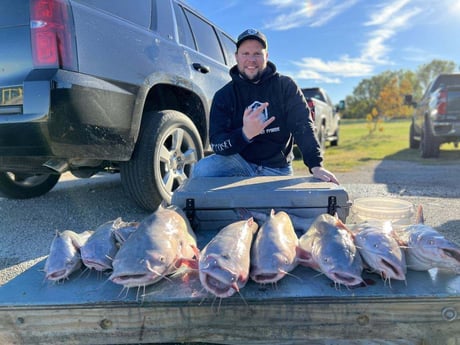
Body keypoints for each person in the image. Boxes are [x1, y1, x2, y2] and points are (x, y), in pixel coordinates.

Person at [192, 28, 339, 184]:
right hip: (240, 162)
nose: (251, 59)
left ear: (266, 56)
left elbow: (303, 125)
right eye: (245, 54)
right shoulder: (224, 95)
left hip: (277, 168)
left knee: (279, 207)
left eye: (257, 54)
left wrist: (316, 165)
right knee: (202, 169)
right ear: (236, 57)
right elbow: (217, 143)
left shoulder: (285, 86)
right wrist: (244, 134)